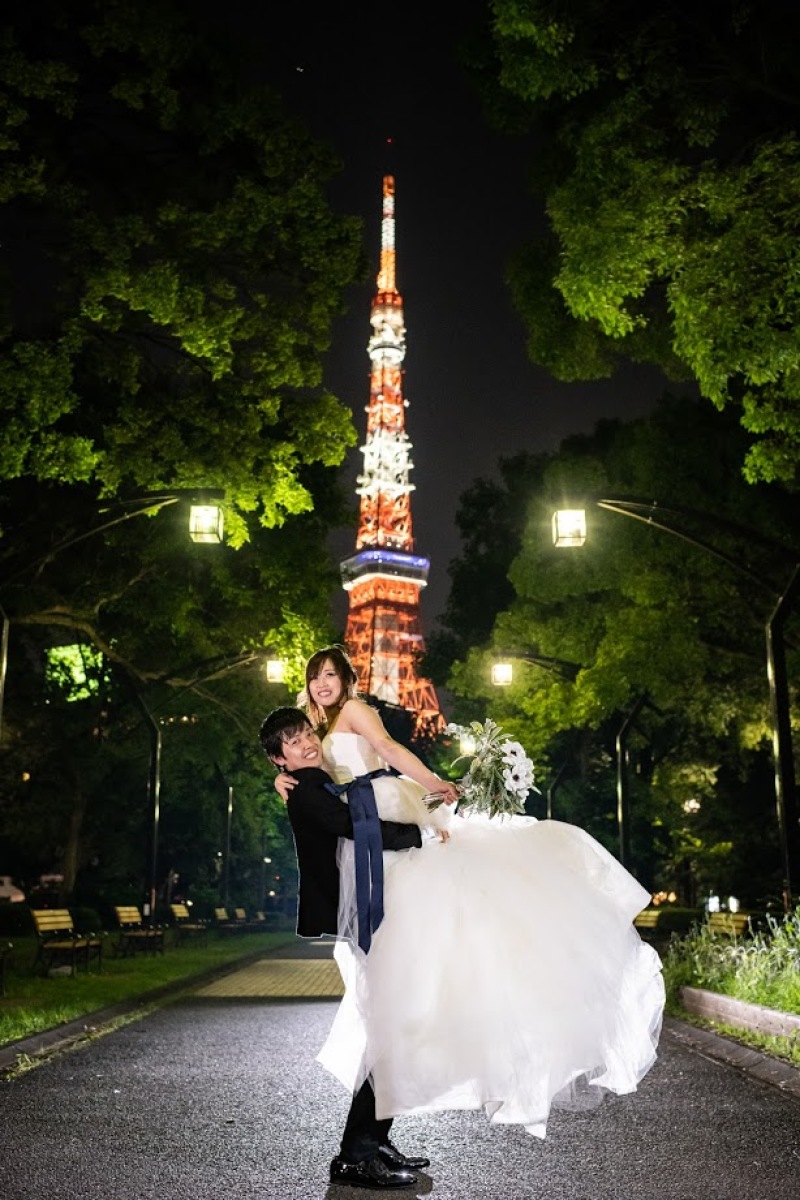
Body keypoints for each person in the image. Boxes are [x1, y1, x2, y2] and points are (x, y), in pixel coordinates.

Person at [275, 645, 665, 1143]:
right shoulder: (318, 727)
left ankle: (370, 1136)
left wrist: (433, 782)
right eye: (315, 676)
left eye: (331, 674)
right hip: (365, 829)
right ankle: (370, 1136)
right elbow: (309, 770)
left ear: (348, 680)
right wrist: (280, 777)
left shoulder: (352, 709)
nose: (322, 683)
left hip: (380, 815)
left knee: (423, 924)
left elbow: (389, 749)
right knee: (407, 951)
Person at [259, 705, 431, 1191]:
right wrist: (420, 836)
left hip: (364, 910)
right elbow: (357, 827)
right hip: (363, 916)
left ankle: (374, 1142)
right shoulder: (308, 789)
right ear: (279, 759)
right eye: (293, 742)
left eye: (307, 734)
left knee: (389, 1029)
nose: (307, 743)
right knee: (388, 1031)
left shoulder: (313, 780)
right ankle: (355, 1155)